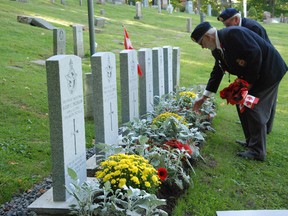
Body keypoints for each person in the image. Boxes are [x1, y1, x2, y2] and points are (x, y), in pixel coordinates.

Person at [190, 22, 287, 161]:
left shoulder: (233, 34)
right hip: (254, 75)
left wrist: (248, 84)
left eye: (201, 42)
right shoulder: (216, 49)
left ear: (208, 36)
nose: (202, 46)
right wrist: (204, 97)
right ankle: (251, 142)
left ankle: (257, 151)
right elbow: (217, 71)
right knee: (238, 100)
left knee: (251, 105)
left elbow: (255, 53)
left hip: (269, 71)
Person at [217, 8, 276, 139]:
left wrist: (251, 79)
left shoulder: (253, 27)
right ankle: (257, 128)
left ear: (236, 19)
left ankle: (265, 127)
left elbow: (258, 52)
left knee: (263, 102)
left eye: (227, 25)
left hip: (267, 67)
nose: (225, 28)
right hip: (252, 70)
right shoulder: (233, 32)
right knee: (255, 102)